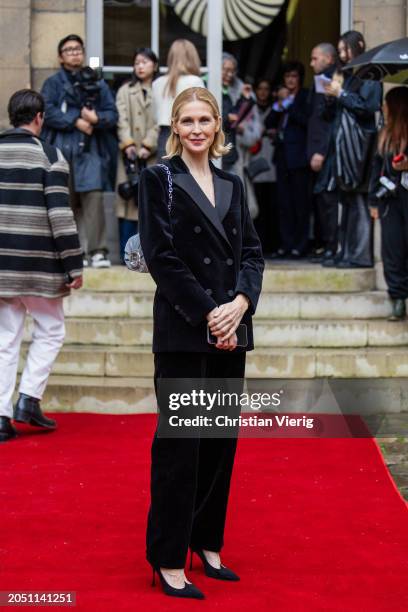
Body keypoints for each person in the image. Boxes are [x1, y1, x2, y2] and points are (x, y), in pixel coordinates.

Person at [138, 87, 264, 599]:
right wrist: (212, 313)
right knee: (180, 449)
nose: (195, 129)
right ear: (174, 127)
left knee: (219, 446)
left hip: (231, 331)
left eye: (204, 120)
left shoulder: (235, 182)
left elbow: (253, 254)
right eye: (186, 120)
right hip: (186, 331)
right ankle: (168, 558)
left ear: (217, 127)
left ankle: (207, 543)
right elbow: (160, 255)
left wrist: (241, 303)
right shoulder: (158, 178)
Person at [0, 89, 83, 443]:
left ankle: (2, 417)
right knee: (51, 330)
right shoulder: (50, 155)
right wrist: (74, 265)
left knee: (5, 339)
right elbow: (60, 216)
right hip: (39, 267)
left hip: (2, 267)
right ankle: (28, 400)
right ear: (39, 118)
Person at [41, 34, 118, 268]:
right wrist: (75, 120)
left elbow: (112, 114)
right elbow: (46, 110)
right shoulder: (53, 83)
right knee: (65, 202)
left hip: (91, 149)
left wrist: (95, 119)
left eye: (77, 49)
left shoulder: (97, 82)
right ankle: (72, 252)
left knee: (93, 199)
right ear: (60, 56)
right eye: (69, 50)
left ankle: (98, 251)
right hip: (62, 148)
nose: (74, 53)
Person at [321, 30, 382, 268]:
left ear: (358, 46)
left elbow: (368, 107)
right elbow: (330, 115)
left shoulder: (369, 73)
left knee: (358, 199)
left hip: (360, 148)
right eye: (340, 50)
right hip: (343, 146)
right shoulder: (345, 73)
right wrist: (330, 96)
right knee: (345, 199)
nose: (342, 54)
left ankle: (359, 255)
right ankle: (345, 252)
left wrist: (342, 93)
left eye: (345, 49)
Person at [115, 47, 159, 262]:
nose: (140, 66)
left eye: (145, 62)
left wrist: (149, 144)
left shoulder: (160, 90)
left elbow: (162, 121)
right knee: (127, 204)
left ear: (155, 65)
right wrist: (128, 144)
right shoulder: (125, 90)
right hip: (129, 158)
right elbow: (120, 119)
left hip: (152, 157)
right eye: (137, 63)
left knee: (150, 205)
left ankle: (149, 256)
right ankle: (128, 255)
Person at [369, 87, 408, 321]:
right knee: (392, 249)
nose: (383, 107)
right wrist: (373, 200)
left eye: (386, 103)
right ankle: (398, 299)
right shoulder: (384, 135)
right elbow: (376, 170)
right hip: (390, 200)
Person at [265, 61, 310, 258]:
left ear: (299, 78)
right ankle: (286, 243)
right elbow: (268, 122)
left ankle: (300, 245)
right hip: (282, 156)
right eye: (287, 77)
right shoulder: (281, 100)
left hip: (299, 157)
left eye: (294, 76)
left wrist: (290, 106)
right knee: (283, 204)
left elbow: (306, 121)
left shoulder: (306, 96)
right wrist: (279, 105)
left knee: (300, 203)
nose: (290, 80)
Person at [308, 43, 339, 263]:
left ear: (329, 59)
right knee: (322, 200)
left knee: (328, 201)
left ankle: (331, 246)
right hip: (318, 150)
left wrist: (319, 151)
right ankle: (326, 245)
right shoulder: (321, 79)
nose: (311, 63)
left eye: (315, 58)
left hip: (325, 151)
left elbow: (325, 121)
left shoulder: (328, 80)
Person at [152, 39, 204, 160]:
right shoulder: (195, 81)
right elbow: (202, 114)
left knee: (164, 177)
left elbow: (154, 116)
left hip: (164, 138)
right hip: (189, 136)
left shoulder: (157, 83)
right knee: (191, 177)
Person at [252, 79, 279, 256]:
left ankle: (271, 246)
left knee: (271, 208)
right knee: (255, 208)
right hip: (253, 164)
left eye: (266, 89)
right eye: (260, 89)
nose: (263, 92)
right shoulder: (251, 109)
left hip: (272, 164)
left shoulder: (276, 109)